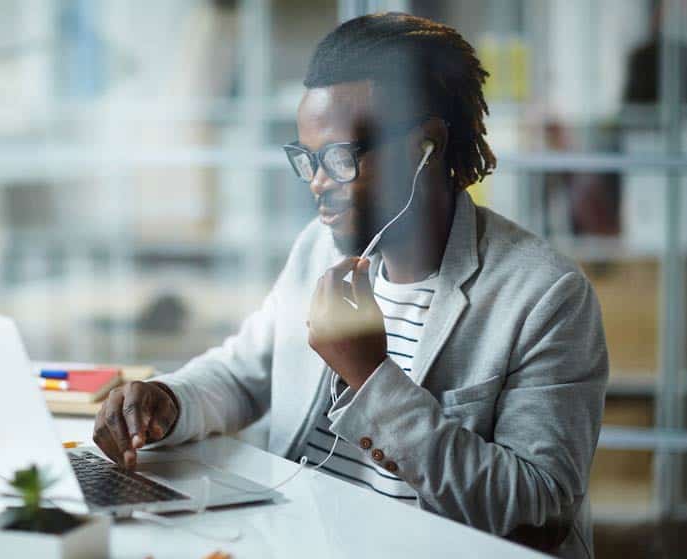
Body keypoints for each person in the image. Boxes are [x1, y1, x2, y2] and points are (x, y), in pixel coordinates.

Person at [93, 13, 608, 558]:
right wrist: (167, 400)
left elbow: (540, 506)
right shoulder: (319, 248)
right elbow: (243, 374)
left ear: (425, 146)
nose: (317, 182)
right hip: (299, 535)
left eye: (338, 159)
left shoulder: (546, 296)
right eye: (308, 159)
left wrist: (369, 377)